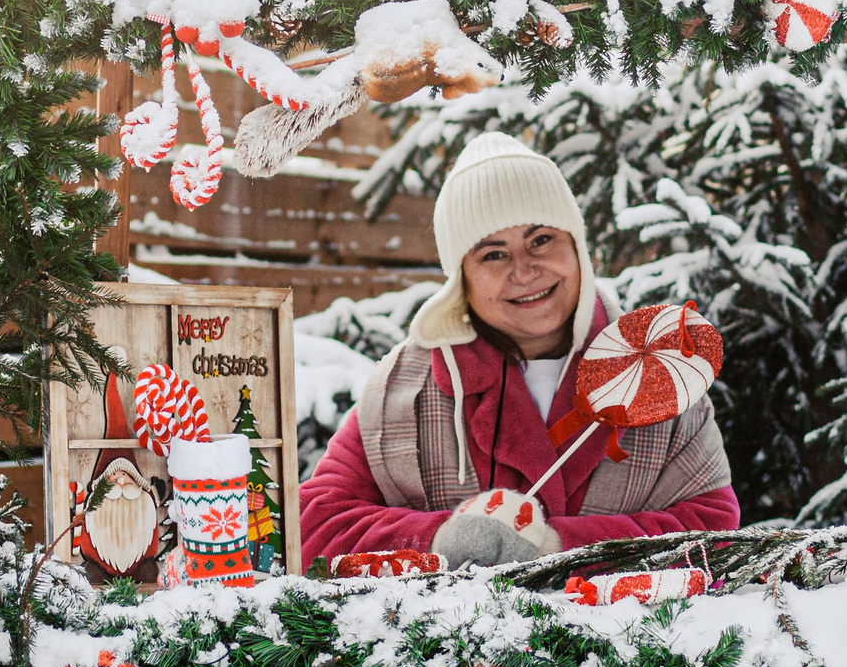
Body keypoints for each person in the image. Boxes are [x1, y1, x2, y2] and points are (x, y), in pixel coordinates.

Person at [299, 132, 740, 565]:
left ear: (576, 248)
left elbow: (714, 530)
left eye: (542, 240)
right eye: (493, 254)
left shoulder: (656, 373)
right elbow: (315, 524)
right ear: (461, 278)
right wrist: (439, 541)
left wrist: (561, 547)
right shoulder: (405, 389)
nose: (525, 271)